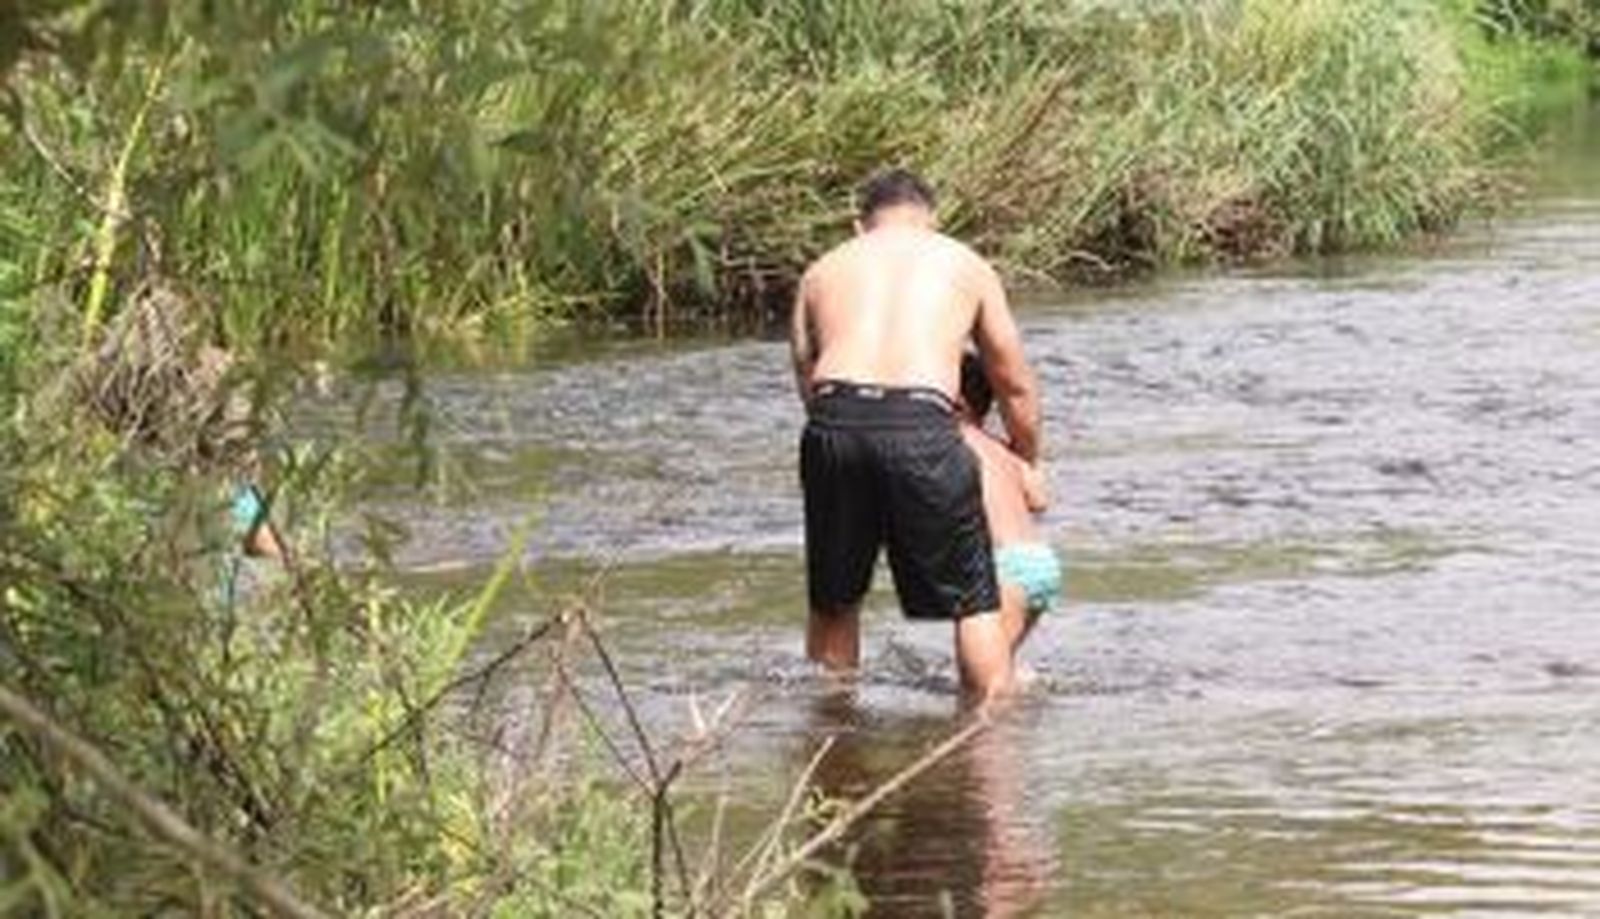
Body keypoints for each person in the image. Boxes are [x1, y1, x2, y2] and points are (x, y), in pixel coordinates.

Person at [790, 168, 1042, 701]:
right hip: (923, 422)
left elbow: (806, 375)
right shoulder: (964, 264)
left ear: (859, 224)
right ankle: (986, 726)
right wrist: (1028, 460)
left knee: (835, 600)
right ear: (932, 222)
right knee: (972, 602)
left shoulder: (821, 271)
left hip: (834, 421)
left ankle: (834, 733)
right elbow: (1013, 383)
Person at [958, 352, 1061, 653]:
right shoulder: (1000, 448)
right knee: (999, 664)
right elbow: (1039, 500)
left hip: (1003, 570)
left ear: (956, 402)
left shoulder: (950, 442)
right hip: (1039, 563)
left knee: (983, 684)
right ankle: (1029, 696)